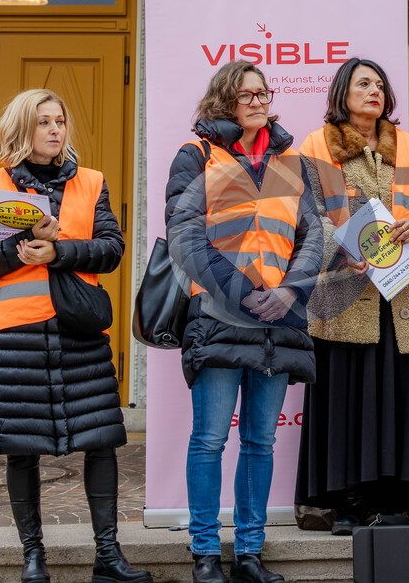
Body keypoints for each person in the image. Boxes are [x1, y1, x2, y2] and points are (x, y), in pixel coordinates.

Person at [0, 90, 151, 583]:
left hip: (79, 330)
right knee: (22, 446)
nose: (54, 129)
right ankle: (33, 557)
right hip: (16, 334)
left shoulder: (92, 182)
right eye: (42, 121)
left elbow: (112, 249)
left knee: (102, 440)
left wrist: (59, 251)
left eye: (60, 121)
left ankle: (108, 557)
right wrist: (20, 251)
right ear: (21, 129)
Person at [165, 60, 322, 583]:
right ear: (224, 100)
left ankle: (249, 554)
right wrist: (244, 294)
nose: (258, 101)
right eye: (246, 93)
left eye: (263, 93)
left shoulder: (294, 163)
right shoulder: (197, 157)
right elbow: (185, 236)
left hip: (279, 321)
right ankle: (206, 552)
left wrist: (286, 291)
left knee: (260, 441)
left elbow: (312, 235)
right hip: (218, 317)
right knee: (209, 439)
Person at [295, 57, 409, 535]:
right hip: (345, 298)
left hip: (404, 299)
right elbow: (301, 219)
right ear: (342, 92)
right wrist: (342, 250)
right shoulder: (314, 149)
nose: (374, 91)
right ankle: (346, 503)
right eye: (363, 83)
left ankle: (403, 499)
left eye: (380, 85)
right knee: (346, 399)